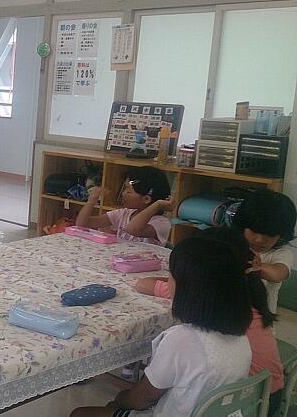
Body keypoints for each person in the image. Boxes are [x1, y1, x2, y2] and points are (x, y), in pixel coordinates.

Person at [71, 235, 253, 417]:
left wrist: (121, 400)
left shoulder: (183, 339)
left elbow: (143, 399)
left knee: (80, 413)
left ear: (186, 288)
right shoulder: (242, 338)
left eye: (170, 275)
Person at [135, 227, 284, 413]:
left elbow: (143, 397)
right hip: (260, 397)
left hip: (245, 402)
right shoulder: (240, 301)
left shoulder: (204, 308)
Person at [232, 189, 296, 314]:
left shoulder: (280, 253)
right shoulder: (234, 244)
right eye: (254, 231)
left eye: (270, 234)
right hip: (232, 313)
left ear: (282, 235)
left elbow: (278, 274)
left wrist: (256, 266)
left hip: (262, 319)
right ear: (242, 225)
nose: (260, 239)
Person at [75, 166, 171, 246]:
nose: (123, 194)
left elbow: (133, 229)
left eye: (128, 191)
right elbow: (82, 224)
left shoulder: (161, 223)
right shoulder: (123, 213)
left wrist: (157, 205)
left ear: (146, 199)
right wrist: (92, 200)